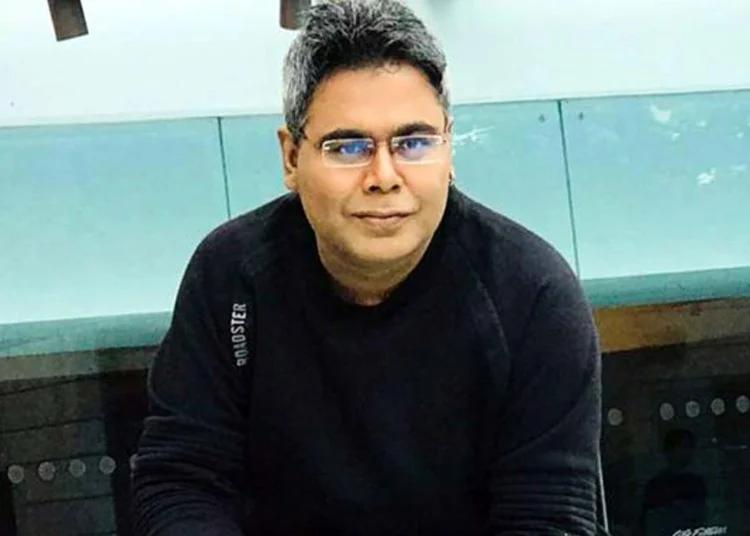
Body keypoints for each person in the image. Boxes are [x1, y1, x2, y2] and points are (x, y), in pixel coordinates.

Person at [131, 0, 603, 534]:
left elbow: (548, 516)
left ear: (449, 148)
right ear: (291, 157)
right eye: (348, 146)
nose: (384, 176)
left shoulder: (533, 295)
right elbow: (182, 479)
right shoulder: (231, 277)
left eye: (414, 142)